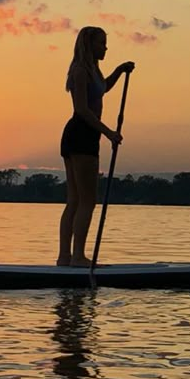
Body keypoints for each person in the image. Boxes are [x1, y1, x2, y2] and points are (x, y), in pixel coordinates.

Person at [57, 26, 135, 267]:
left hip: (81, 136)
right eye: (101, 43)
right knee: (85, 200)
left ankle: (66, 258)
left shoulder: (93, 71)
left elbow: (102, 89)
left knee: (76, 200)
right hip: (81, 136)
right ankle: (75, 257)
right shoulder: (80, 71)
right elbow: (82, 109)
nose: (105, 47)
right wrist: (109, 133)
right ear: (89, 45)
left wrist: (120, 71)